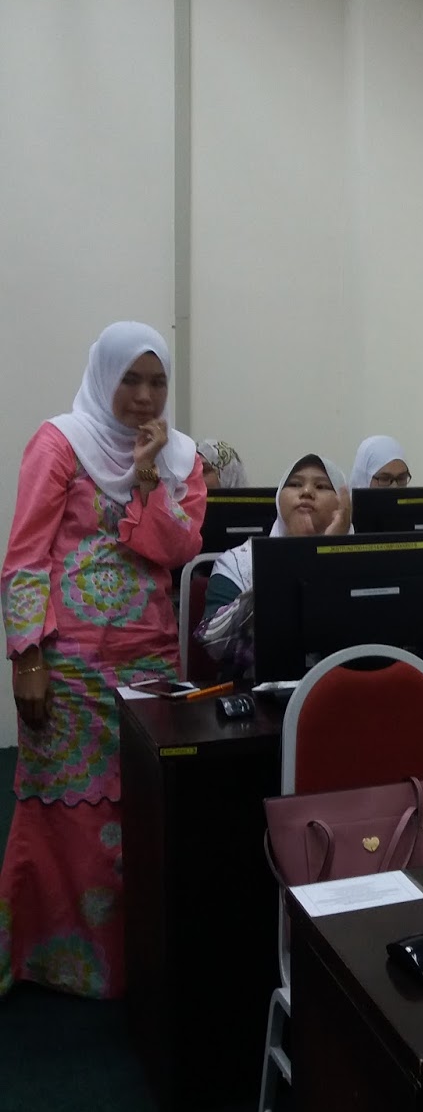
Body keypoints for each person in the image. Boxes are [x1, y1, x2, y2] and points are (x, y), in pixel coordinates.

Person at [0, 322, 204, 998]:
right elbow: (25, 558)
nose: (145, 397)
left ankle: (134, 959)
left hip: (153, 664)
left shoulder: (181, 459)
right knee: (64, 811)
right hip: (69, 667)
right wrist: (27, 659)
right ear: (104, 377)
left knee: (142, 810)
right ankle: (53, 958)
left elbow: (174, 551)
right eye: (131, 380)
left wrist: (147, 474)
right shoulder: (59, 442)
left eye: (158, 382)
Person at [197, 454, 351, 672]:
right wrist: (302, 561)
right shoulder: (239, 562)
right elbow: (215, 644)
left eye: (322, 486)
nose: (306, 492)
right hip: (255, 688)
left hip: (343, 686)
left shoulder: (362, 564)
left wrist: (332, 555)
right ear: (279, 498)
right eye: (295, 484)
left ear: (342, 504)